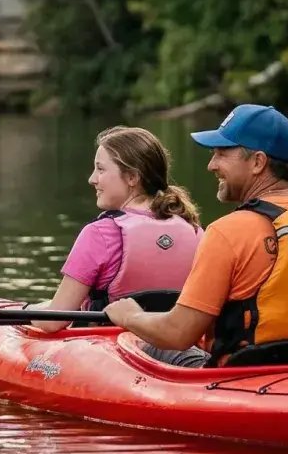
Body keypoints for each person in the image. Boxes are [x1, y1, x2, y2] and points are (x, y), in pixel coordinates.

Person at [104, 104, 288, 367]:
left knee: (136, 345)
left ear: (257, 162)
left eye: (221, 153)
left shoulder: (227, 231)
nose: (211, 165)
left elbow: (178, 334)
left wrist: (132, 317)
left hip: (241, 379)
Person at [26, 126, 202, 332]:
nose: (92, 179)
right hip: (173, 344)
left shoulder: (100, 233)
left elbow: (53, 321)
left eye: (100, 169)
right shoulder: (195, 230)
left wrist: (27, 310)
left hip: (107, 347)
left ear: (132, 178)